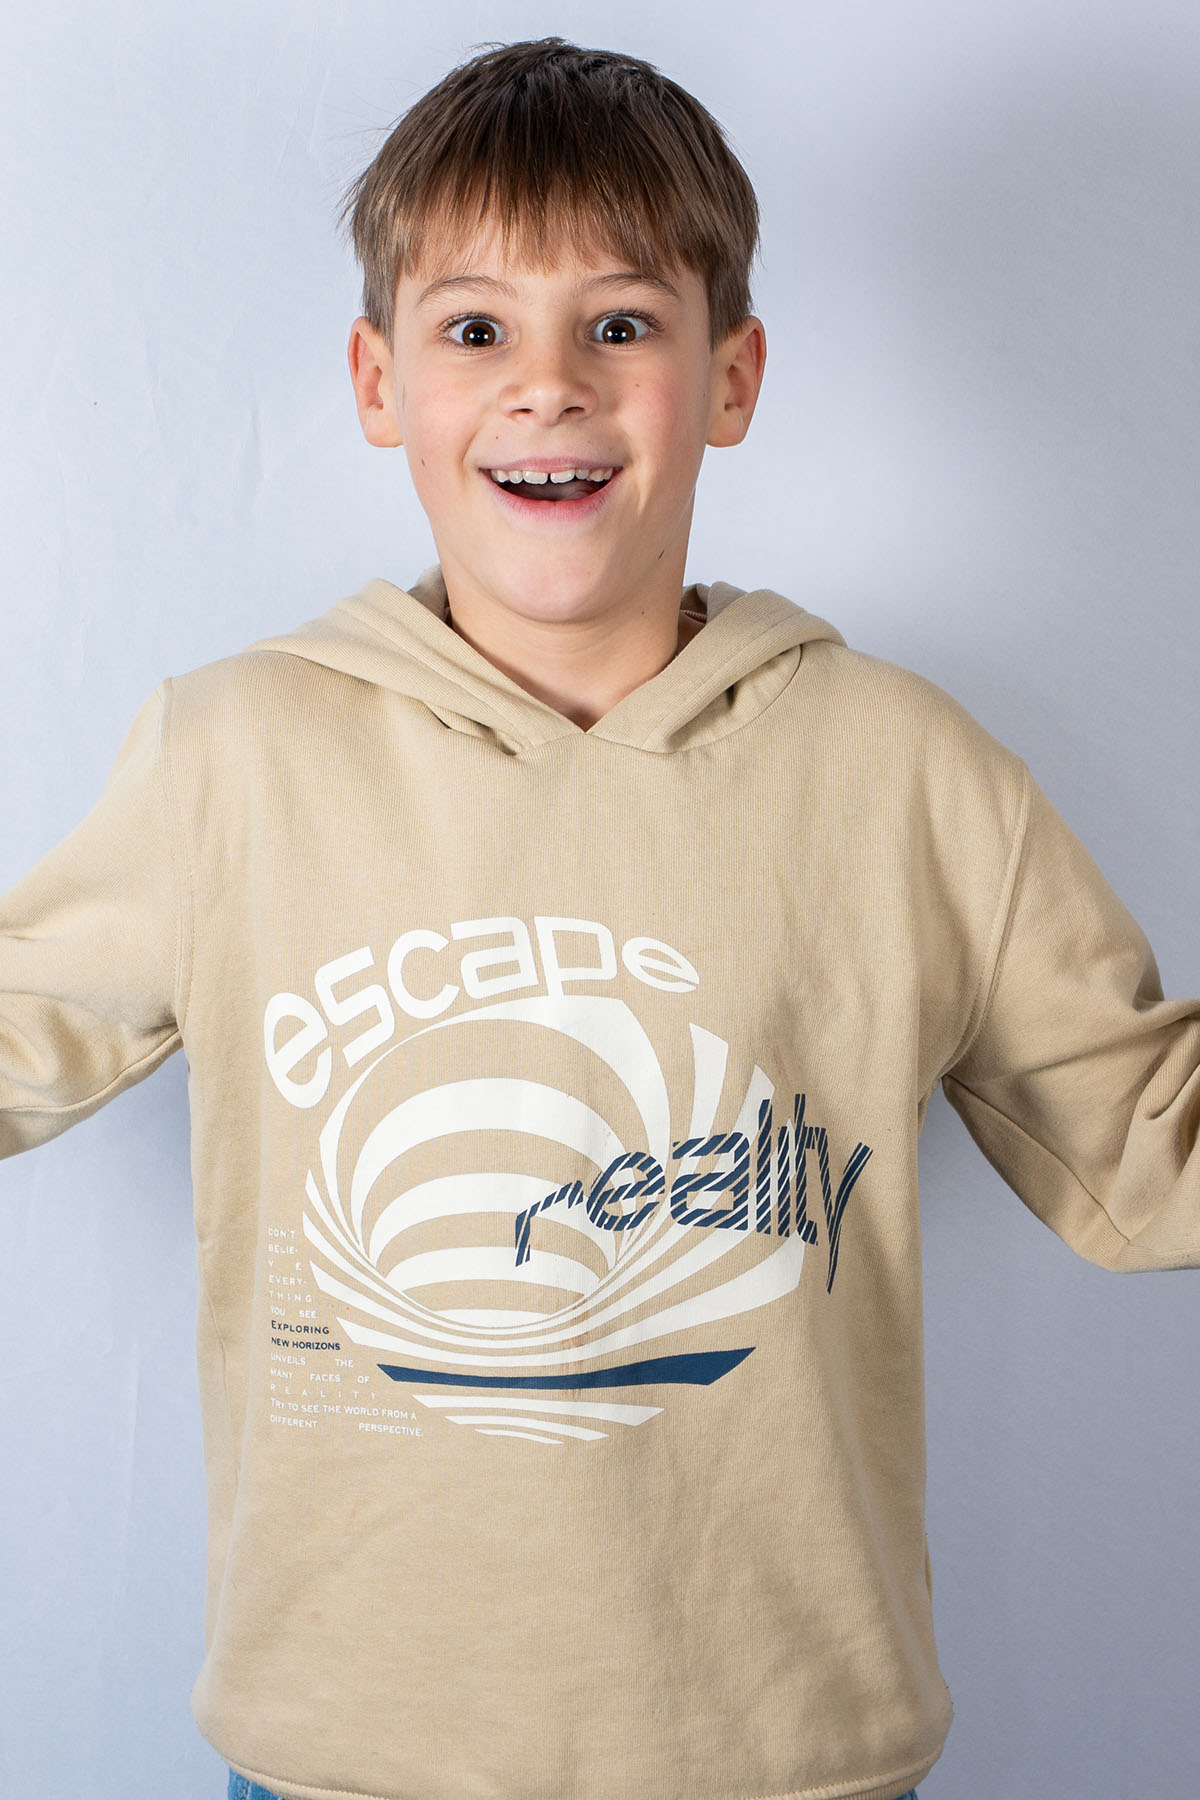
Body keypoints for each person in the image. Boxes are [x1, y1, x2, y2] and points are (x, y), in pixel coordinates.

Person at [2, 33, 1196, 1800]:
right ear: (378, 380)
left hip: (783, 1756)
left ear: (732, 375)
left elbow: (1151, 1155)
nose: (548, 387)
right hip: (347, 1757)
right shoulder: (232, 756)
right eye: (476, 329)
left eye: (621, 325)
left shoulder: (907, 770)